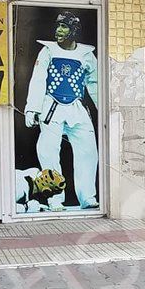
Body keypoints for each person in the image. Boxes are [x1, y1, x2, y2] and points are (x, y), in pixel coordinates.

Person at [24, 12, 98, 209]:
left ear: (74, 30)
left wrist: (106, 109)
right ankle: (55, 198)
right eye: (58, 26)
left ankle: (87, 197)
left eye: (64, 27)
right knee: (48, 151)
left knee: (88, 151)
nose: (59, 31)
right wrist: (32, 108)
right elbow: (38, 80)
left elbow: (95, 83)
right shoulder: (48, 51)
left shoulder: (86, 55)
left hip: (76, 106)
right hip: (51, 106)